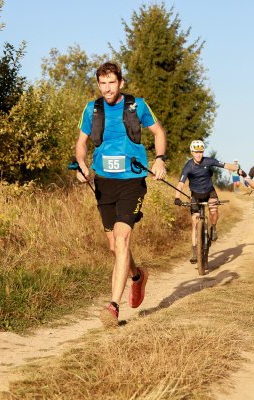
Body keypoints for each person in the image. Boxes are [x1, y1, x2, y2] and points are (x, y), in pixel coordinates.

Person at [74, 62, 167, 328]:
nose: (106, 88)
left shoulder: (136, 105)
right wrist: (81, 166)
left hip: (132, 180)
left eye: (111, 82)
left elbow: (158, 132)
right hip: (104, 181)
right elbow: (81, 144)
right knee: (115, 247)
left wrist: (160, 160)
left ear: (121, 83)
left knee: (123, 238)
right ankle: (137, 276)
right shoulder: (92, 109)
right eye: (102, 83)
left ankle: (113, 306)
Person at [174, 140, 243, 263]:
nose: (199, 155)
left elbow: (225, 165)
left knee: (213, 209)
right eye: (196, 152)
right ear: (192, 152)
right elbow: (180, 183)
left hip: (209, 192)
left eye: (200, 152)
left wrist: (238, 169)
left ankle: (214, 227)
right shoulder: (188, 166)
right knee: (194, 222)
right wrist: (177, 197)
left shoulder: (208, 161)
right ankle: (195, 252)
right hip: (195, 195)